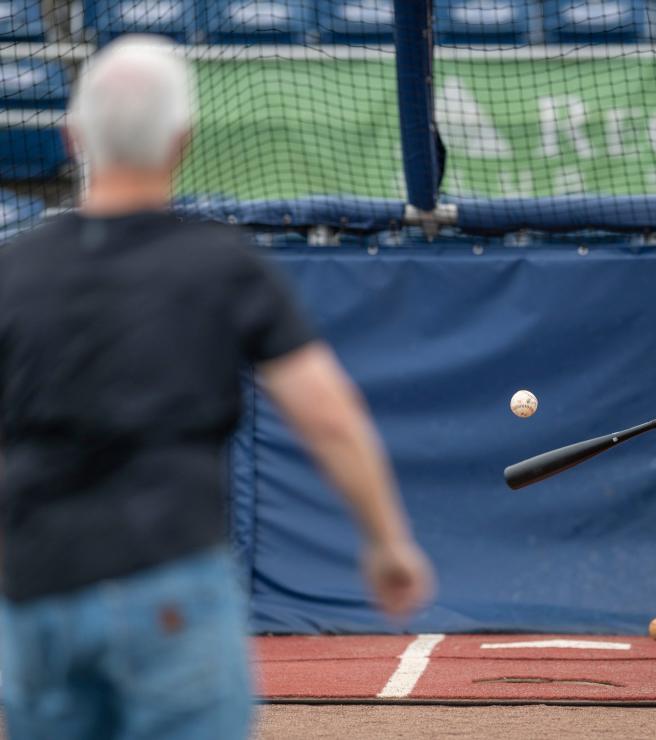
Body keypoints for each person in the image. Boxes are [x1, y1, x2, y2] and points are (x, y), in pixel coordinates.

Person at [0, 36, 434, 739]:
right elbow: (328, 416)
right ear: (183, 141)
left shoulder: (12, 272)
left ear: (71, 137)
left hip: (37, 592)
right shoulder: (220, 265)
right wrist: (387, 543)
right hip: (168, 583)